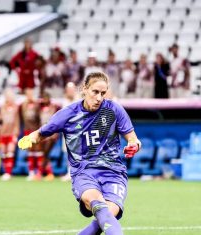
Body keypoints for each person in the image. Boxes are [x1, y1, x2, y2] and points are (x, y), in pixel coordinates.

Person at [18, 71, 141, 235]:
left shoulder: (114, 110)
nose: (99, 98)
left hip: (114, 172)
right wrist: (30, 139)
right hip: (84, 172)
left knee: (105, 218)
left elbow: (133, 138)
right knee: (97, 203)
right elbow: (42, 132)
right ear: (85, 89)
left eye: (103, 93)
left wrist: (134, 145)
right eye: (95, 92)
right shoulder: (68, 114)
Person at [0, 90, 20, 181]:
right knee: (4, 153)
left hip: (12, 133)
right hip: (3, 133)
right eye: (8, 96)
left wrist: (16, 133)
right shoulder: (3, 108)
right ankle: (6, 172)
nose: (9, 98)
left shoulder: (15, 108)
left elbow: (17, 121)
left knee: (10, 152)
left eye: (11, 96)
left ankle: (9, 172)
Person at [20, 88, 42, 181]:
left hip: (36, 130)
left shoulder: (37, 105)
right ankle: (31, 172)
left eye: (31, 94)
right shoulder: (23, 105)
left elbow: (39, 116)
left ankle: (39, 172)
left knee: (38, 150)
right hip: (27, 130)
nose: (29, 96)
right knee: (30, 151)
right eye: (27, 94)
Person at [39, 92, 59, 181]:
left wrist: (55, 133)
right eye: (43, 98)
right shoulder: (41, 108)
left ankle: (41, 173)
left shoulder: (53, 108)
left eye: (46, 98)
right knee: (45, 154)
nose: (45, 100)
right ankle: (49, 173)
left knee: (46, 153)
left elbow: (56, 121)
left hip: (51, 134)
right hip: (43, 134)